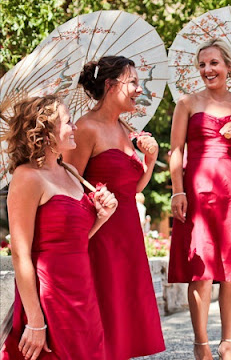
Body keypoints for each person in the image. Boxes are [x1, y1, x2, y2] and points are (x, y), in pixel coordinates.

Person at [63, 56, 165, 359]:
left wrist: (150, 157)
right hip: (101, 236)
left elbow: (132, 188)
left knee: (123, 314)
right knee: (105, 310)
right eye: (132, 81)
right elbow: (69, 184)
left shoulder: (125, 127)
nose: (139, 88)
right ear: (110, 85)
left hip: (128, 234)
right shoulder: (85, 129)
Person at [1, 96, 117, 360]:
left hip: (83, 292)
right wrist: (35, 320)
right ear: (45, 132)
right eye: (68, 122)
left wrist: (102, 216)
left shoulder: (71, 173)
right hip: (51, 296)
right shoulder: (27, 177)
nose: (75, 127)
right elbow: (20, 254)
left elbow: (76, 240)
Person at [168, 38, 231, 360]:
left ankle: (227, 344)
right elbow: (176, 150)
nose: (208, 69)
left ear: (228, 68)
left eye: (214, 63)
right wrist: (177, 190)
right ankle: (201, 344)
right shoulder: (186, 103)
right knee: (201, 267)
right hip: (197, 191)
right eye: (203, 64)